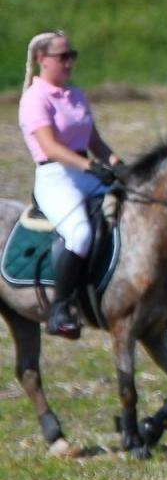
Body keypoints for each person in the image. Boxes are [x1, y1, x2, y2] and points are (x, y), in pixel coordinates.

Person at [19, 31, 128, 339]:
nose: (69, 63)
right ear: (43, 59)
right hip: (56, 178)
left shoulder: (76, 95)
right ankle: (60, 309)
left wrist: (121, 167)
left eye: (72, 56)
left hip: (85, 174)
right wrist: (91, 166)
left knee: (129, 212)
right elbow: (50, 147)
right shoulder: (34, 99)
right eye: (62, 57)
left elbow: (96, 143)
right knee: (79, 234)